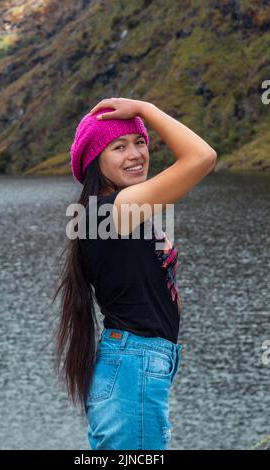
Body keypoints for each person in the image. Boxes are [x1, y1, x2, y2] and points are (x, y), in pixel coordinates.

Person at [52, 97, 217, 450]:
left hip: (140, 360)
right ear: (95, 161)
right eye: (118, 147)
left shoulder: (113, 210)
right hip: (134, 361)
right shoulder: (113, 211)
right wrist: (146, 110)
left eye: (140, 142)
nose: (135, 154)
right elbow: (202, 157)